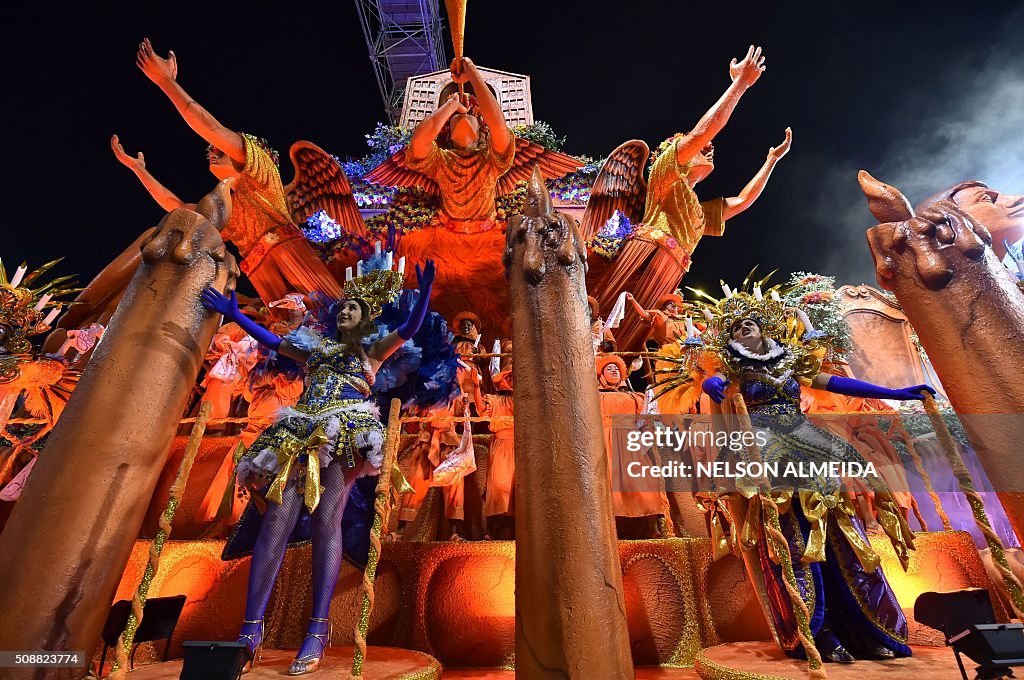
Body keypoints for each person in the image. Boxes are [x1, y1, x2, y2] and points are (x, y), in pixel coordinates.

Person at [201, 259, 435, 675]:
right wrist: (235, 314)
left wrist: (424, 294)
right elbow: (273, 341)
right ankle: (249, 631)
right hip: (300, 428)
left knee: (328, 519)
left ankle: (318, 628)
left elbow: (410, 331)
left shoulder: (371, 351)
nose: (344, 312)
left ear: (365, 319)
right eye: (342, 307)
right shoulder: (317, 347)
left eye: (354, 309)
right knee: (278, 517)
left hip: (344, 430)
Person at [693, 293, 932, 664]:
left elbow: (837, 386)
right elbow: (716, 388)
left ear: (763, 328)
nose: (744, 326)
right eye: (736, 326)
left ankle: (865, 629)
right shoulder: (735, 370)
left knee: (838, 529)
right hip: (768, 450)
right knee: (792, 535)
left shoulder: (791, 362)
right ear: (732, 340)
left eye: (749, 321)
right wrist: (714, 385)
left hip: (807, 443)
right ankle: (818, 633)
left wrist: (896, 393)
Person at [116, 38, 343, 303]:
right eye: (210, 151)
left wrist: (166, 82)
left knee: (332, 319)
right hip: (262, 274)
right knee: (286, 336)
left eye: (219, 149)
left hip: (293, 256)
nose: (213, 150)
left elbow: (210, 128)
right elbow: (176, 206)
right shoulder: (230, 211)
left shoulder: (263, 174)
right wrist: (138, 169)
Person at [596, 46, 791, 350]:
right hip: (645, 255)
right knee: (608, 317)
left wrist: (771, 161)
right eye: (699, 146)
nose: (708, 146)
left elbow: (743, 201)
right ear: (675, 150)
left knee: (631, 337)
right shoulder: (664, 172)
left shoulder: (698, 210)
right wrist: (740, 85)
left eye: (709, 146)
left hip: (671, 268)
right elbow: (705, 130)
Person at [405, 57, 515, 234]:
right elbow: (418, 142)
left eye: (472, 114)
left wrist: (471, 71)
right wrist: (450, 105)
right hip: (447, 236)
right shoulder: (440, 160)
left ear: (481, 133)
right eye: (455, 116)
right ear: (448, 135)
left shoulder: (491, 159)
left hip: (487, 237)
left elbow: (497, 125)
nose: (465, 113)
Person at [596, 355, 665, 537]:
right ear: (600, 374)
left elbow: (645, 421)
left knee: (643, 481)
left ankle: (648, 526)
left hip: (629, 443)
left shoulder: (634, 396)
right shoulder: (594, 396)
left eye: (617, 369)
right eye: (608, 368)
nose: (613, 370)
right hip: (604, 442)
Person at [470, 369, 515, 538]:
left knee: (516, 488)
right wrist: (476, 386)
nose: (512, 380)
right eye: (509, 377)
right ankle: (497, 530)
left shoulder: (526, 400)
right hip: (502, 447)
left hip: (521, 447)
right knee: (499, 486)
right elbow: (481, 408)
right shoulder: (496, 400)